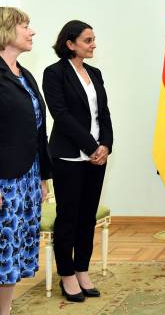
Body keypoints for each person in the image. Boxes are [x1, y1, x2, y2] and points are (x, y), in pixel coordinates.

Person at [42, 20, 113, 302]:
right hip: (69, 156)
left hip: (97, 158)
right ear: (70, 44)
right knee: (68, 217)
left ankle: (82, 269)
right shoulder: (54, 73)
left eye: (94, 39)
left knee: (87, 216)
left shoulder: (95, 73)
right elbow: (62, 115)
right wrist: (91, 145)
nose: (93, 44)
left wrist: (106, 145)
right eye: (88, 40)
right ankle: (67, 274)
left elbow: (104, 113)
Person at [0, 7, 50, 315]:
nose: (31, 32)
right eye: (25, 26)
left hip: (27, 177)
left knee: (12, 256)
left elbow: (37, 130)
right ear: (6, 31)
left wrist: (42, 176)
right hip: (4, 179)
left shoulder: (24, 74)